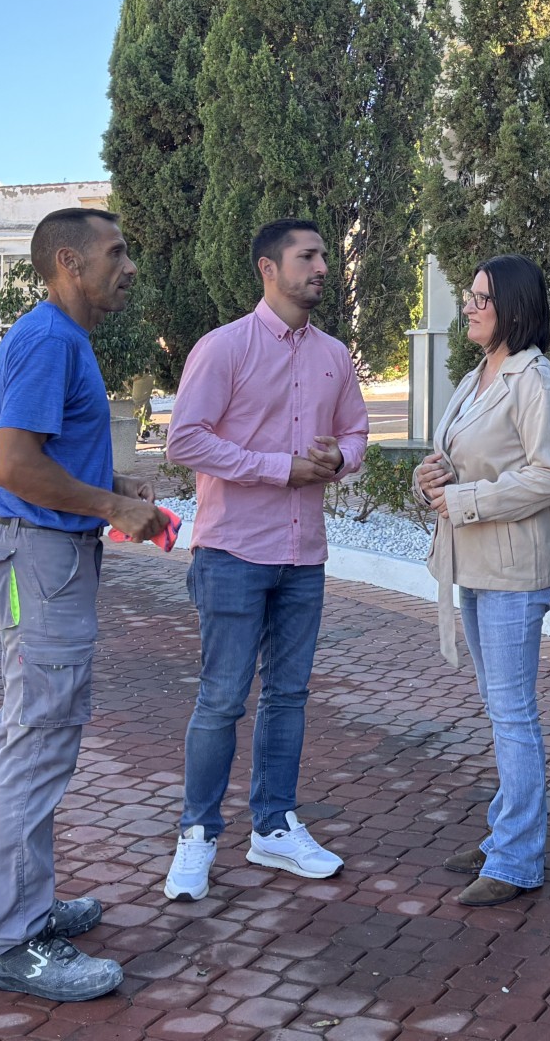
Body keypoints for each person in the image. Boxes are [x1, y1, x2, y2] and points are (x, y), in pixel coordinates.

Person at [0, 207, 168, 1002]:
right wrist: (112, 509)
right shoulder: (52, 340)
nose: (127, 267)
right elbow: (15, 466)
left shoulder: (53, 338)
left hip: (44, 556)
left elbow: (40, 457)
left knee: (23, 737)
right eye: (115, 253)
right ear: (68, 262)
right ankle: (16, 942)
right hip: (43, 560)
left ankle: (12, 906)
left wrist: (111, 490)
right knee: (38, 743)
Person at [160, 218, 368, 902]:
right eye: (306, 257)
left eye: (322, 257)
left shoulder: (336, 356)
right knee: (222, 698)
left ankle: (274, 827)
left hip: (303, 556)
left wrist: (340, 457)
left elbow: (357, 433)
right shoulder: (224, 349)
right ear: (268, 270)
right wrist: (277, 469)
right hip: (233, 552)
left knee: (288, 695)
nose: (321, 269)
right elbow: (184, 440)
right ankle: (197, 835)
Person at [413, 256, 550, 907]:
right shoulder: (477, 376)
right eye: (469, 295)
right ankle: (506, 835)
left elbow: (549, 475)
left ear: (512, 306)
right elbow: (453, 462)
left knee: (513, 715)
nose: (471, 306)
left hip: (513, 567)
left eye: (482, 297)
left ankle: (515, 860)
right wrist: (431, 478)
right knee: (500, 708)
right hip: (474, 563)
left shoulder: (537, 381)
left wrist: (468, 500)